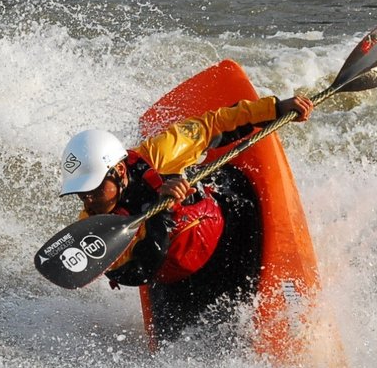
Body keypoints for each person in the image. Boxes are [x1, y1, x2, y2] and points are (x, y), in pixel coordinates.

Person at [58, 93, 314, 287]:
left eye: (94, 186)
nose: (87, 198)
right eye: (81, 191)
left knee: (211, 179)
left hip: (229, 228)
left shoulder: (159, 153)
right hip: (186, 279)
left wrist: (275, 108)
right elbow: (138, 270)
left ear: (120, 172)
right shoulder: (92, 226)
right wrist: (161, 211)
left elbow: (212, 125)